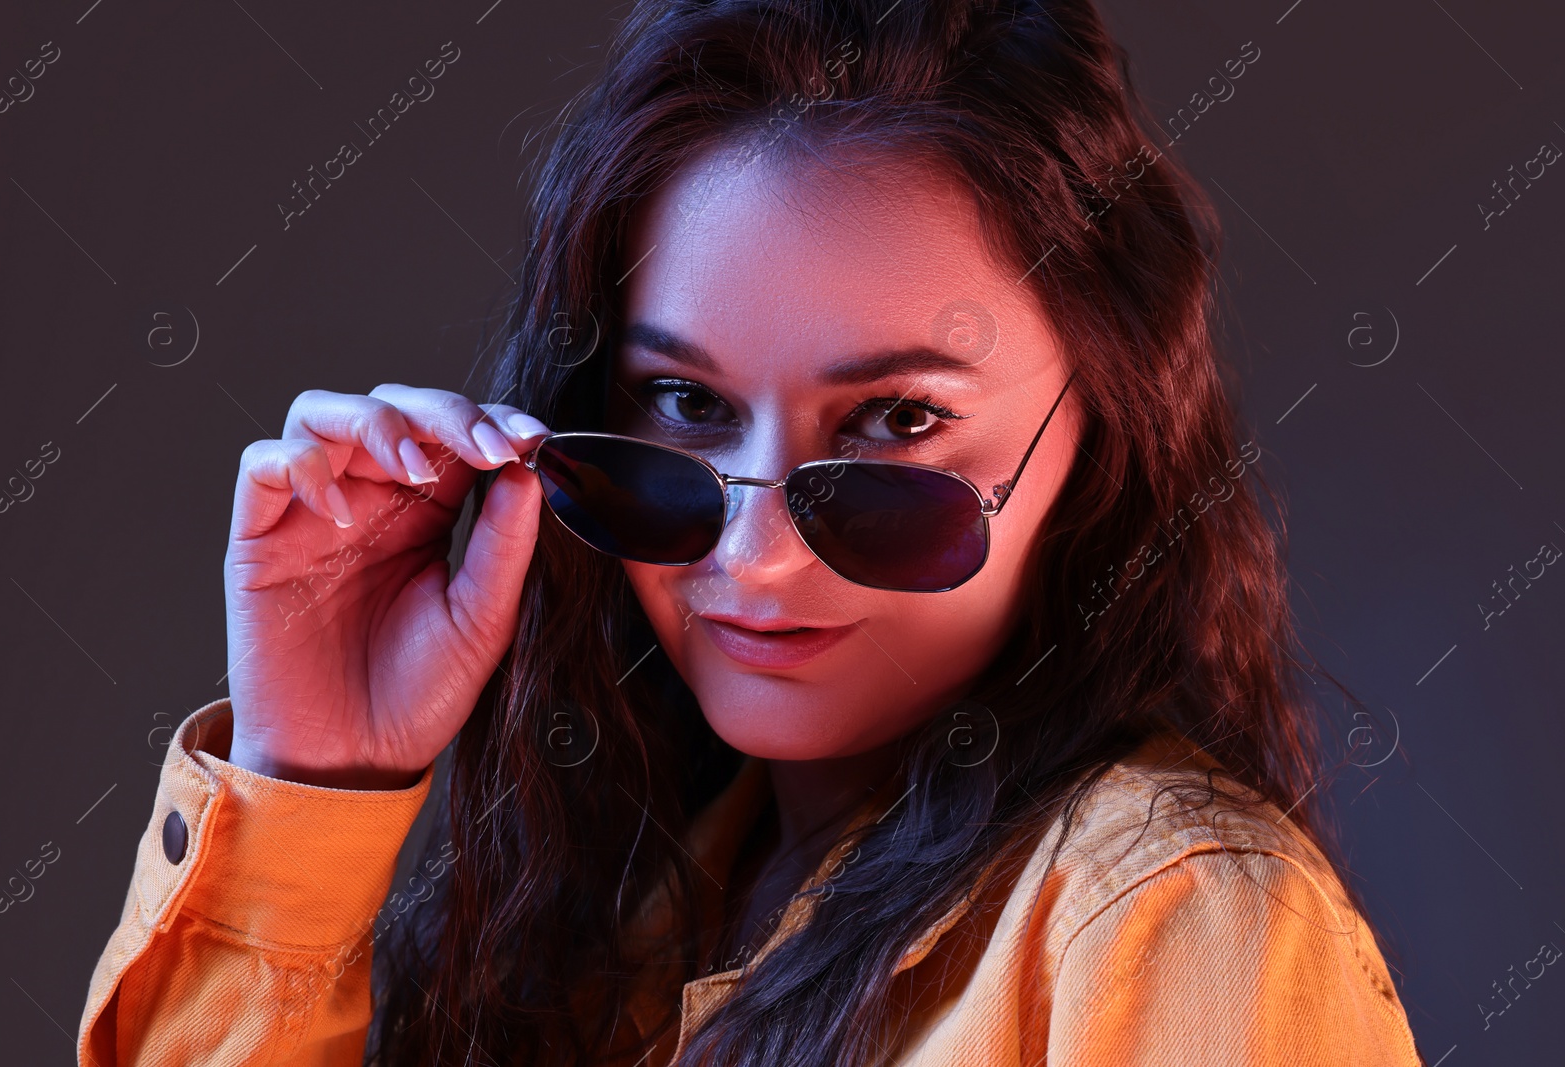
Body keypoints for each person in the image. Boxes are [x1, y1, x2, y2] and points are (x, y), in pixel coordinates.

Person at [78, 0, 1426, 1064]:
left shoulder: (1168, 921)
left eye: (897, 423)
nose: (755, 556)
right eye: (683, 404)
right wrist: (315, 781)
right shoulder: (604, 935)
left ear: (1103, 424)